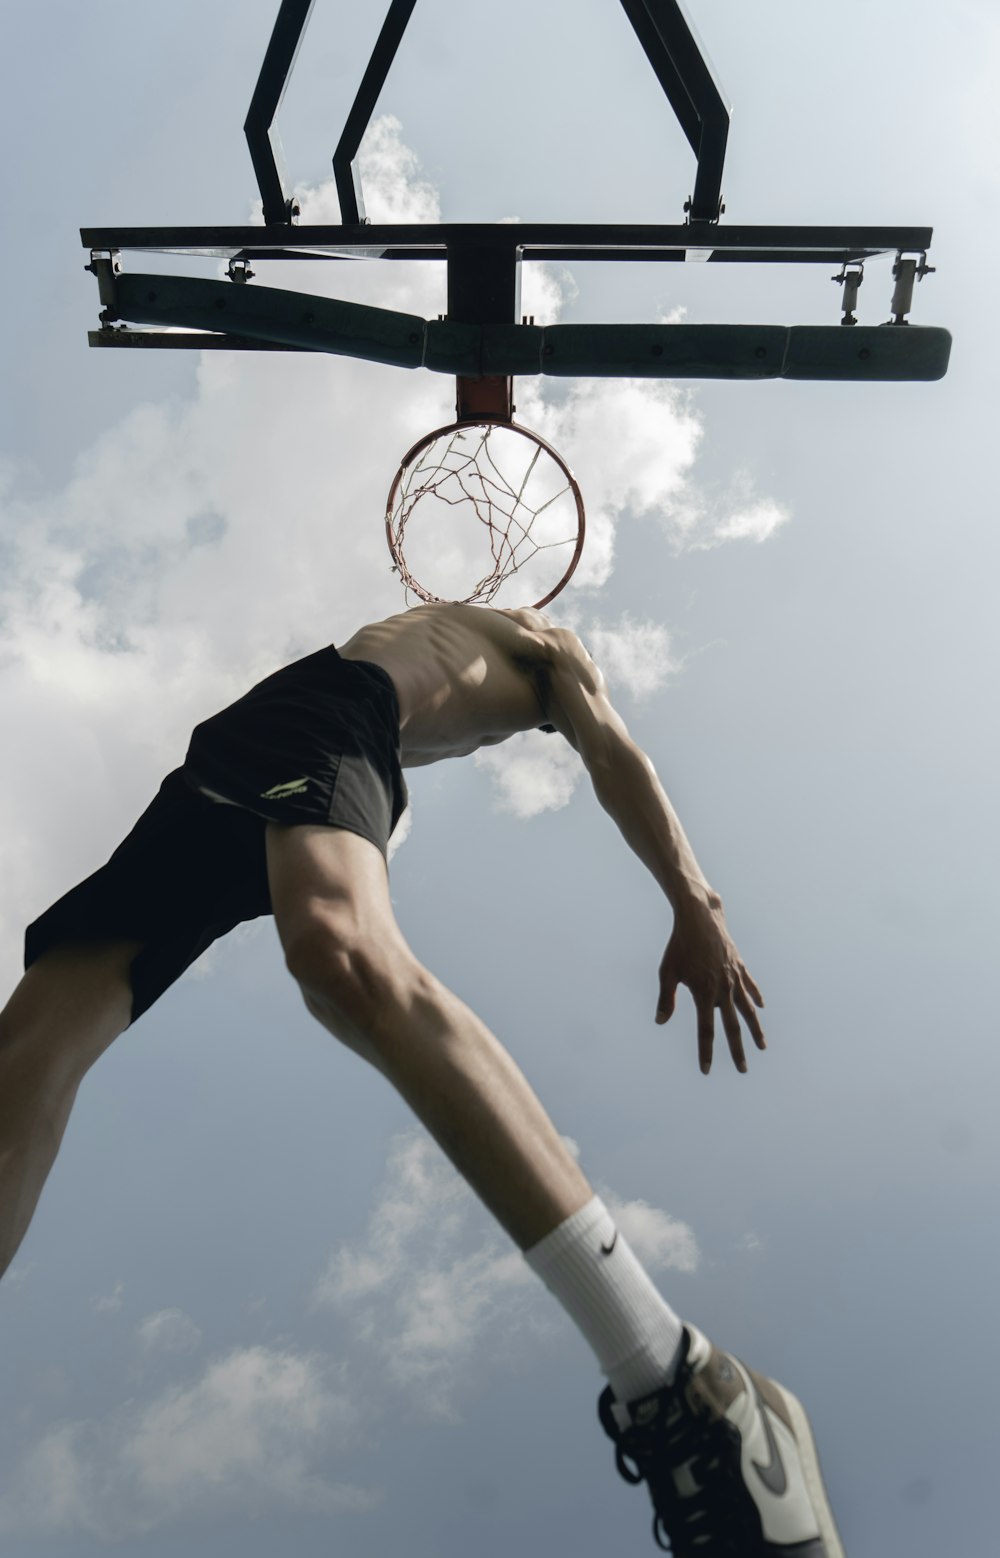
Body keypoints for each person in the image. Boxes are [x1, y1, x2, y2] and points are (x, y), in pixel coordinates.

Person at [0, 602, 843, 1554]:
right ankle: (680, 1375)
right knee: (28, 1056)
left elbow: (610, 754)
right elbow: (614, 756)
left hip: (289, 732)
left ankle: (674, 1370)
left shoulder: (504, 666)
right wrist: (695, 900)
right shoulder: (542, 642)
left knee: (338, 954)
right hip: (297, 721)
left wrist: (694, 901)